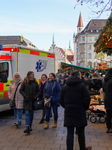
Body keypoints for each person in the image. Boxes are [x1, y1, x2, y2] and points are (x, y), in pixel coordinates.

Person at [59, 70, 91, 150]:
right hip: (80, 112)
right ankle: (82, 148)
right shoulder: (82, 86)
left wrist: (66, 106)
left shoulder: (65, 87)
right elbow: (87, 99)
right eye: (80, 75)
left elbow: (61, 100)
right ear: (77, 76)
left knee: (70, 133)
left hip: (69, 112)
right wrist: (84, 108)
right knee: (80, 133)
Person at [103, 69, 112, 133]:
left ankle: (108, 127)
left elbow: (104, 89)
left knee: (108, 114)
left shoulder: (105, 80)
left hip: (107, 99)